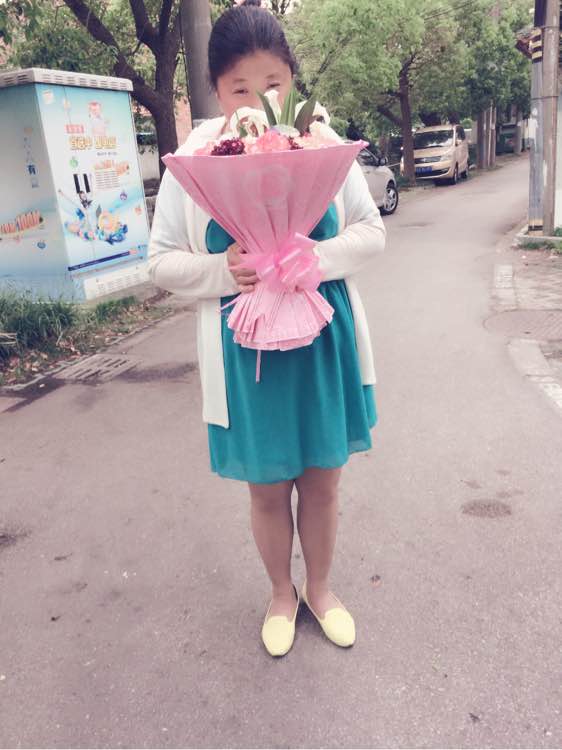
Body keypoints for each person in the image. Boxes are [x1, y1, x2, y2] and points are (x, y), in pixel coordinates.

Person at [147, 0, 387, 657]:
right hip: (244, 355)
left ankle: (322, 590)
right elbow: (161, 260)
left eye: (273, 83)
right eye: (239, 89)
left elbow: (371, 232)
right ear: (215, 89)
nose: (259, 101)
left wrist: (318, 259)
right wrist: (224, 271)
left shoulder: (322, 144)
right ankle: (281, 594)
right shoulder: (195, 162)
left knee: (323, 483)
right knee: (267, 488)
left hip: (323, 345)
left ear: (293, 79)